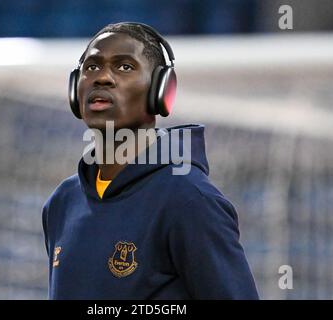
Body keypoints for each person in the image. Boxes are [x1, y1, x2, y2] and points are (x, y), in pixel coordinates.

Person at [42, 22, 258, 299]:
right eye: (92, 67)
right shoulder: (62, 202)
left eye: (124, 67)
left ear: (160, 90)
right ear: (75, 89)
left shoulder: (190, 199)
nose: (102, 78)